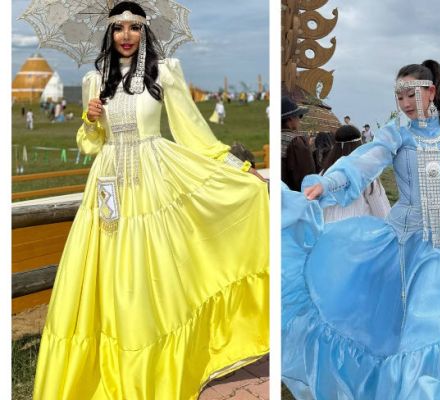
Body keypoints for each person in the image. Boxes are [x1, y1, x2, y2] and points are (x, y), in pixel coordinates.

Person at [32, 3, 269, 399]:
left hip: (154, 179)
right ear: (109, 33)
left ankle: (154, 363)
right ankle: (107, 361)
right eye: (118, 28)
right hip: (108, 184)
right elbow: (90, 145)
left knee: (151, 269)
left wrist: (238, 168)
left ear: (145, 32)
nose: (126, 35)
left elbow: (194, 131)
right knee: (110, 270)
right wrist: (90, 119)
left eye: (134, 27)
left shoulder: (165, 72)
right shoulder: (95, 80)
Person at [286, 60, 440, 399]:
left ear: (431, 92)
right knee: (413, 328)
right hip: (406, 244)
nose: (404, 103)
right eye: (399, 96)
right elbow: (364, 161)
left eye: (411, 94)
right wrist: (329, 182)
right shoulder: (396, 135)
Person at [320, 125, 391, 222]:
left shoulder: (323, 174)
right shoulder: (367, 175)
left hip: (328, 228)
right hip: (359, 230)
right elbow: (383, 213)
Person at [282, 96, 316, 191]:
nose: (299, 119)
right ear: (290, 119)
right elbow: (307, 180)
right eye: (299, 115)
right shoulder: (296, 141)